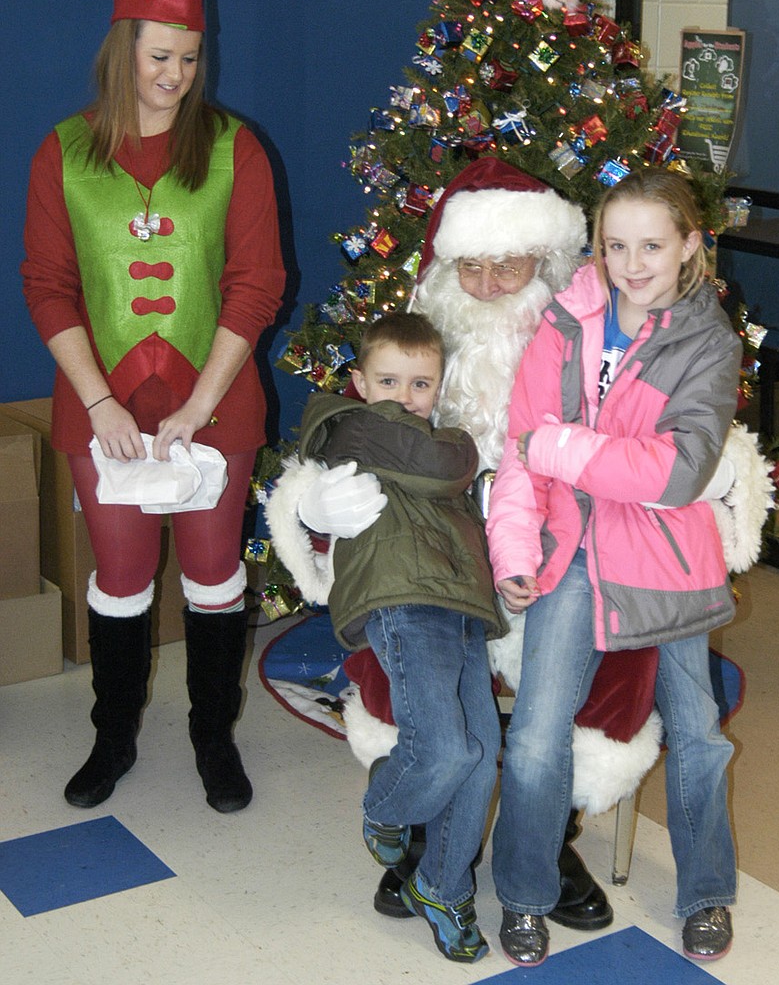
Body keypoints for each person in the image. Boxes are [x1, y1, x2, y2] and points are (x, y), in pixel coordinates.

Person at [268, 155, 659, 932]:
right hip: (430, 568)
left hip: (558, 556)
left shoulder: (589, 348)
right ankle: (421, 829)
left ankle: (546, 837)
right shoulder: (412, 358)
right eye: (470, 267)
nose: (486, 287)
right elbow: (330, 443)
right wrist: (318, 503)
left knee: (612, 652)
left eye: (508, 266)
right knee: (405, 665)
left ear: (543, 264)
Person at [21, 0, 286, 814]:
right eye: (158, 54)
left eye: (188, 57)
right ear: (123, 47)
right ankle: (114, 736)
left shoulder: (234, 148)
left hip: (215, 409)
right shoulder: (63, 150)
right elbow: (47, 285)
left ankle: (214, 736)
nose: (174, 75)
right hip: (103, 413)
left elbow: (256, 284)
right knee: (123, 578)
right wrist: (98, 404)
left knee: (214, 574)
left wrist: (199, 405)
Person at [486, 166, 741, 966]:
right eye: (616, 245)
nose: (633, 264)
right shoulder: (564, 321)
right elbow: (518, 446)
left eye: (653, 246)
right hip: (573, 555)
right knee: (534, 737)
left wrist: (565, 447)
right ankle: (524, 896)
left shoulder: (708, 341)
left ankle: (706, 892)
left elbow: (676, 472)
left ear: (690, 246)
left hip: (668, 564)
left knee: (698, 735)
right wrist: (515, 549)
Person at [290, 311, 505, 962]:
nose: (406, 398)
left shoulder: (416, 438)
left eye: (421, 384)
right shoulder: (358, 425)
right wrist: (470, 449)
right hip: (404, 602)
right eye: (389, 380)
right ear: (358, 380)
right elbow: (445, 464)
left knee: (479, 754)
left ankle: (442, 887)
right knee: (445, 751)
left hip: (462, 605)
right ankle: (387, 797)